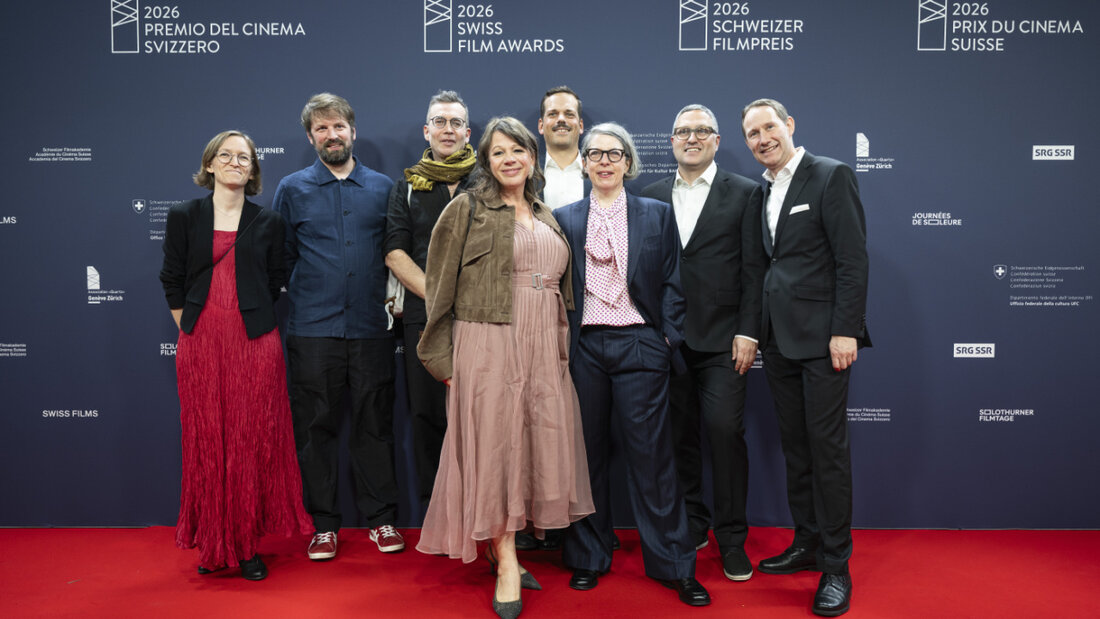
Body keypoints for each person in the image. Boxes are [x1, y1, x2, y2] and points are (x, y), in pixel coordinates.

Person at [416, 116, 594, 619]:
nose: (509, 159)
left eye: (518, 149)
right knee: (496, 447)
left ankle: (506, 545)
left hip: (543, 343)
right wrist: (442, 358)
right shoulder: (466, 208)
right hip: (488, 340)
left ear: (532, 157)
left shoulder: (546, 213)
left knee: (531, 442)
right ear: (486, 161)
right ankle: (508, 562)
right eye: (498, 152)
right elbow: (439, 287)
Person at [555, 122, 710, 607]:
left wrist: (665, 337)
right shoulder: (563, 218)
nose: (603, 161)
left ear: (628, 162)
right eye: (594, 153)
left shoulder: (656, 214)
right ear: (583, 162)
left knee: (653, 460)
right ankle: (587, 556)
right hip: (584, 348)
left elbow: (672, 281)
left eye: (613, 153)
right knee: (587, 457)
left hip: (640, 343)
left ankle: (674, 564)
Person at [160, 130, 312, 580]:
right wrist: (191, 328)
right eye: (224, 156)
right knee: (208, 442)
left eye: (243, 157)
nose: (234, 162)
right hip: (200, 344)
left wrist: (247, 318)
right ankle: (213, 541)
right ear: (209, 165)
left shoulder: (268, 223)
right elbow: (171, 278)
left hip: (254, 342)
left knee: (248, 441)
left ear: (253, 168)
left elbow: (275, 278)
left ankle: (245, 545)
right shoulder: (184, 215)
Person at [740, 98, 871, 617]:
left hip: (823, 344)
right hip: (778, 344)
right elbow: (761, 270)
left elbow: (852, 260)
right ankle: (808, 543)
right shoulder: (762, 191)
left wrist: (846, 332)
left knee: (828, 452)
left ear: (789, 126)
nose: (762, 138)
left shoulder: (830, 175)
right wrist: (752, 334)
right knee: (797, 448)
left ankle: (837, 566)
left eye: (769, 126)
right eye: (751, 133)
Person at [272, 93, 403, 560]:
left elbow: (396, 254)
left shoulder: (385, 187)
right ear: (311, 137)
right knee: (315, 429)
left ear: (353, 130)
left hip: (371, 328)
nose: (332, 135)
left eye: (339, 126)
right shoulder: (291, 188)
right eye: (322, 129)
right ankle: (323, 525)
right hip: (312, 330)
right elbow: (281, 257)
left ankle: (382, 520)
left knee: (375, 426)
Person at [640, 104, 766, 582]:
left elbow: (755, 268)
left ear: (716, 140)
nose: (690, 138)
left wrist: (749, 330)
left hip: (724, 340)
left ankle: (733, 539)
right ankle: (694, 522)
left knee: (723, 433)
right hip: (666, 339)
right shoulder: (649, 196)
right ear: (671, 141)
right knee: (678, 437)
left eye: (700, 131)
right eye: (681, 132)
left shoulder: (746, 193)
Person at [384, 90, 475, 514]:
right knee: (427, 417)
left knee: (483, 419)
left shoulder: (489, 179)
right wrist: (440, 298)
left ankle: (484, 512)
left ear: (467, 132)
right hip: (425, 318)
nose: (448, 129)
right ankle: (437, 513)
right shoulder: (406, 186)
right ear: (427, 130)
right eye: (439, 121)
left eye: (455, 123)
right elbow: (395, 252)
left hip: (483, 319)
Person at [538, 86, 588, 209]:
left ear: (580, 126)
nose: (561, 119)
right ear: (541, 126)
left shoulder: (598, 172)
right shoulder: (527, 173)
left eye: (569, 114)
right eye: (553, 114)